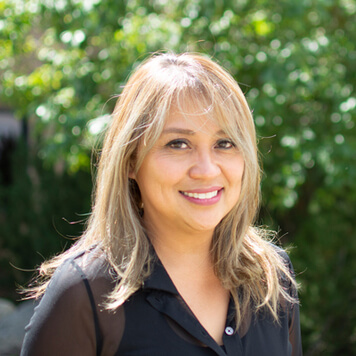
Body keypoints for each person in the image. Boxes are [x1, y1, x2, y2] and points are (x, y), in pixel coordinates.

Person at [21, 52, 302, 356]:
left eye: (225, 143)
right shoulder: (85, 292)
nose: (207, 169)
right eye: (178, 144)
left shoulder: (272, 276)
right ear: (130, 161)